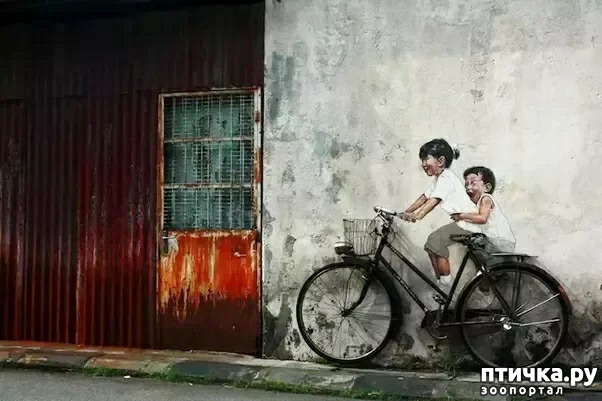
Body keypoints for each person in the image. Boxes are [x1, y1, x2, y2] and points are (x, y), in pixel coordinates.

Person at [399, 139, 481, 290]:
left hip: (470, 222)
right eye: (422, 160)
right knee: (431, 245)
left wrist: (418, 216)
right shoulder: (439, 178)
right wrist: (407, 211)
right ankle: (441, 282)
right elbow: (425, 197)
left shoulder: (446, 178)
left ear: (441, 161)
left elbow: (433, 201)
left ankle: (446, 285)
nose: (423, 164)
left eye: (426, 159)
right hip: (464, 222)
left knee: (435, 240)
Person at [451, 166, 516, 252]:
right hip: (496, 240)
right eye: (466, 184)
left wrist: (461, 216)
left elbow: (482, 218)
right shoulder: (477, 205)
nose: (468, 187)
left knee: (475, 242)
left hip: (502, 241)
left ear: (487, 188)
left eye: (473, 183)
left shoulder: (486, 198)